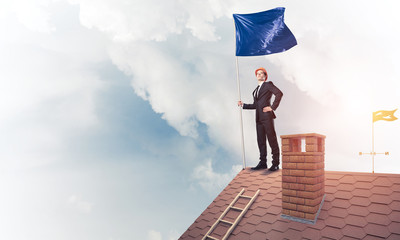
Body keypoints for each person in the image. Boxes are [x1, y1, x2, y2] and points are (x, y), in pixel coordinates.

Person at [238, 67, 283, 171]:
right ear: (256, 76)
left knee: (272, 139)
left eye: (261, 73)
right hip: (258, 118)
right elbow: (255, 105)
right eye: (257, 73)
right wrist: (243, 105)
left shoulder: (268, 85)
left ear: (265, 76)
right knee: (261, 141)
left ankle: (275, 163)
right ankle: (263, 163)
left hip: (267, 117)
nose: (259, 75)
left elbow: (279, 94)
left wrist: (272, 107)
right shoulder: (256, 90)